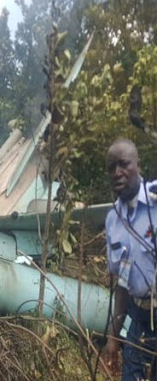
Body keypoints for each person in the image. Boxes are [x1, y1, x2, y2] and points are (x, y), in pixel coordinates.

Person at [104, 138, 157, 380]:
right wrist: (113, 337)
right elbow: (123, 283)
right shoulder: (113, 221)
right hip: (140, 320)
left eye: (124, 164)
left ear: (138, 165)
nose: (117, 173)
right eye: (111, 167)